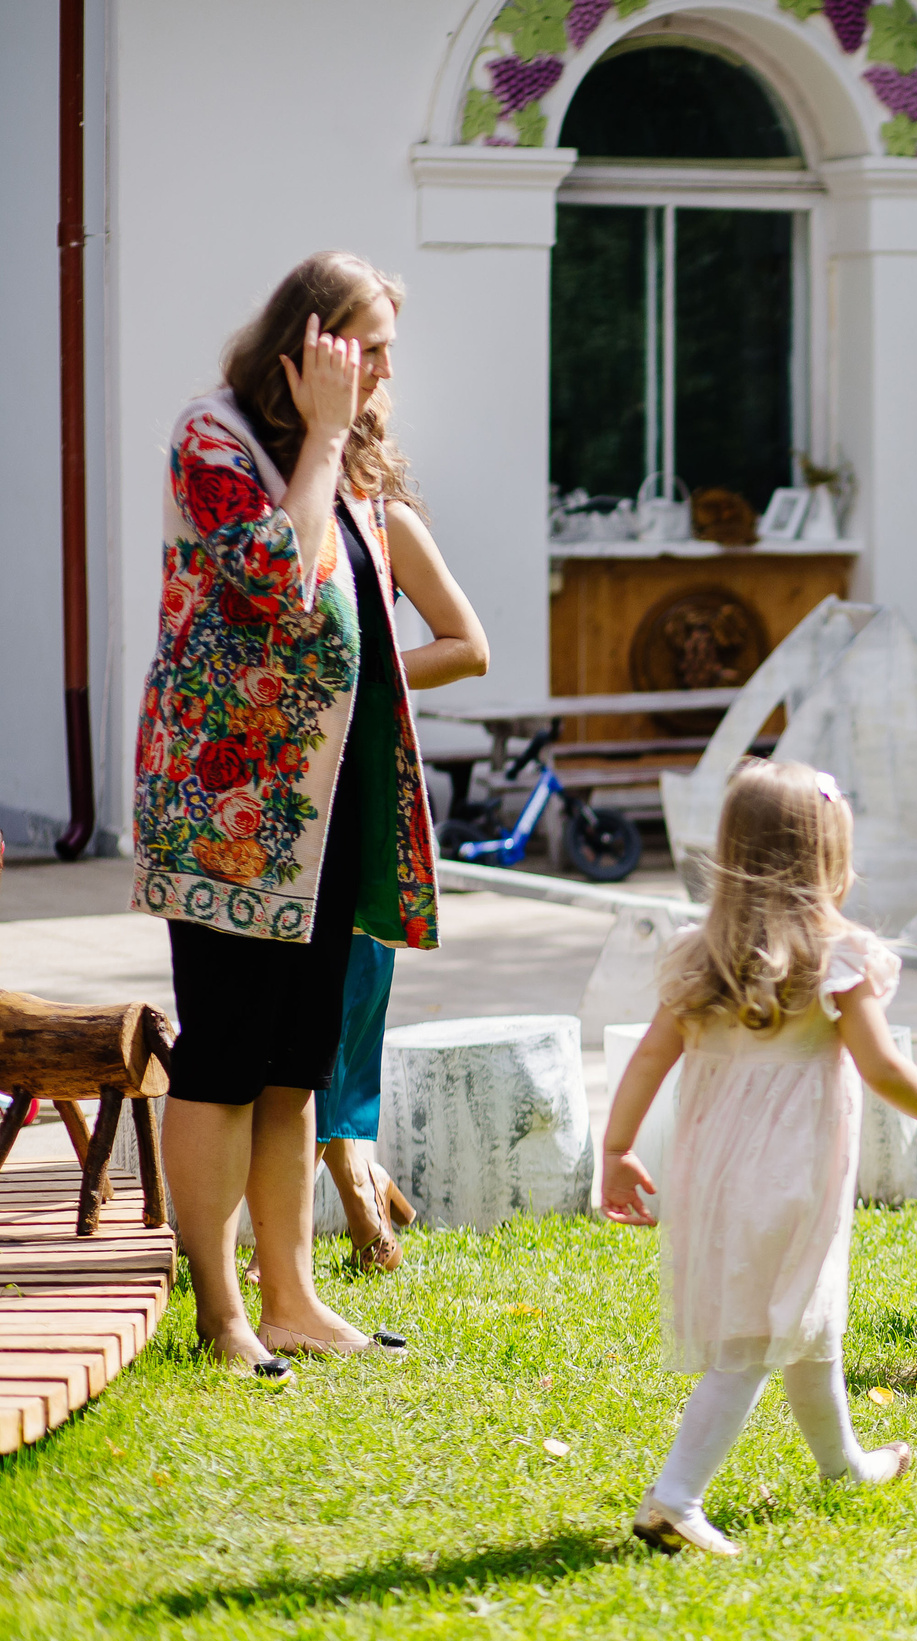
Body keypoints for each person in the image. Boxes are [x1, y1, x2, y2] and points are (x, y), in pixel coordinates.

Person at [132, 252, 443, 1371]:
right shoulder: (212, 439)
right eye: (370, 348)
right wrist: (318, 439)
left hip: (327, 815)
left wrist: (337, 445)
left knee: (296, 1064)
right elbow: (277, 578)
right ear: (310, 347)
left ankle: (294, 1302)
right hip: (229, 814)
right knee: (223, 1055)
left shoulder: (353, 466)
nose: (386, 372)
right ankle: (221, 1313)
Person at [599, 760, 917, 1558]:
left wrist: (617, 1147)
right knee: (754, 1341)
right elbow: (878, 1064)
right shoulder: (837, 955)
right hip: (795, 1171)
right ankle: (674, 1497)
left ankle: (844, 1464)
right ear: (827, 857)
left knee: (808, 1317)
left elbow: (645, 1060)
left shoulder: (701, 954)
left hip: (716, 1169)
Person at [314, 490, 488, 1274]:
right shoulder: (253, 499)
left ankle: (356, 1187)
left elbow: (467, 647)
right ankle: (360, 1182)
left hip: (356, 784)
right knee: (288, 1011)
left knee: (352, 993)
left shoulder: (386, 519)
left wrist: (352, 680)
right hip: (271, 789)